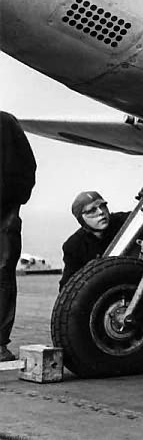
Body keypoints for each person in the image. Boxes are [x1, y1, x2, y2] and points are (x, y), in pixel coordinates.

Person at [60, 181, 143, 289]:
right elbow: (67, 288)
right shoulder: (74, 245)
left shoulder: (126, 222)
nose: (101, 212)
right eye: (92, 210)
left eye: (103, 206)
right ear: (81, 219)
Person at [1, 111, 37, 362]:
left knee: (2, 275)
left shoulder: (6, 122)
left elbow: (27, 168)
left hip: (4, 216)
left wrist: (12, 205)